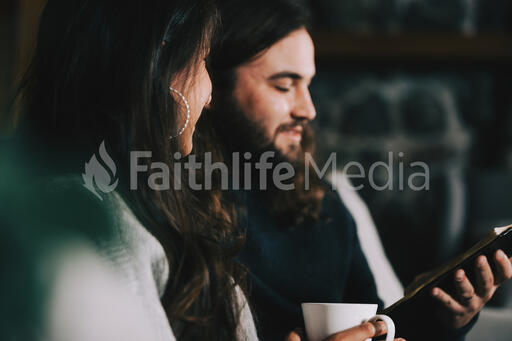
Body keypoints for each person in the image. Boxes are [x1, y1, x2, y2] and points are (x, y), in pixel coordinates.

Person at [193, 0, 512, 340]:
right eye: (284, 86)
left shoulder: (323, 207)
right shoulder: (178, 211)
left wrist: (442, 317)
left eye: (308, 85)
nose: (308, 109)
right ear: (212, 85)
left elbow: (378, 324)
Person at [6, 0, 258, 340]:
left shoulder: (133, 201)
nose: (211, 95)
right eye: (203, 60)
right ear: (159, 65)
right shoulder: (101, 225)